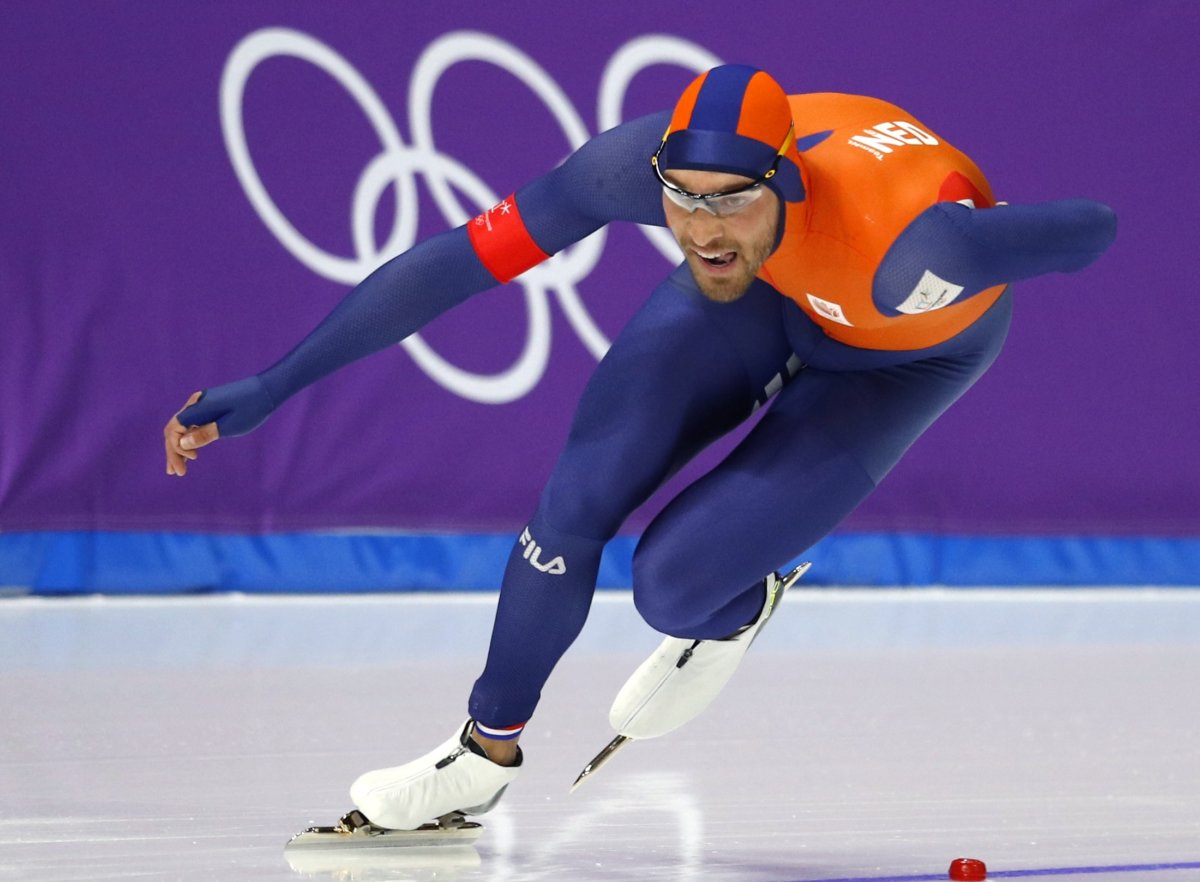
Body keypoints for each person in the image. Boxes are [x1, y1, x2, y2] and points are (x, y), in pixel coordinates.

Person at [164, 65, 1116, 830]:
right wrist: (279, 382)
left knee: (672, 589)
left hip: (896, 364)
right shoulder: (635, 176)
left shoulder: (917, 245)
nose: (703, 228)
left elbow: (1092, 231)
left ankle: (739, 604)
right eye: (683, 200)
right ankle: (479, 754)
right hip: (763, 295)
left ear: (783, 179)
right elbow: (455, 264)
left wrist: (989, 238)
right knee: (575, 501)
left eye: (731, 201)